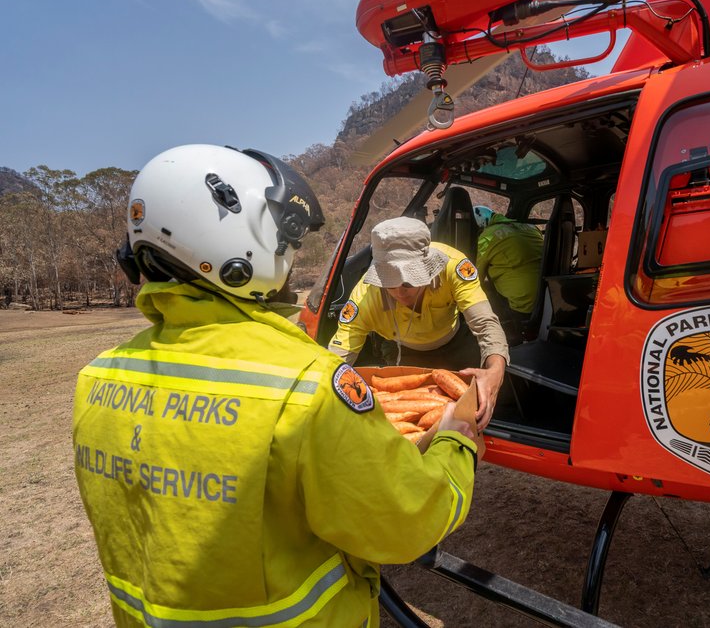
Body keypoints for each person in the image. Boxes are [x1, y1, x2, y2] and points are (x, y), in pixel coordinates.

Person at [73, 145, 479, 627]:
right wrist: (456, 440)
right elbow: (407, 522)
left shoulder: (96, 377)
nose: (287, 256)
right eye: (283, 240)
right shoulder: (305, 388)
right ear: (243, 242)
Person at [328, 217, 508, 429]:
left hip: (456, 343)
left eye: (408, 281)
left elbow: (485, 323)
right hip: (404, 352)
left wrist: (495, 371)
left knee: (475, 409)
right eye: (389, 284)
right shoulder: (364, 298)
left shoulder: (454, 266)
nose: (400, 292)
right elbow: (337, 358)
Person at [473, 205, 544, 343]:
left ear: (480, 226)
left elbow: (474, 278)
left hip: (522, 304)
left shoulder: (487, 236)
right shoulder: (531, 228)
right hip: (545, 298)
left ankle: (499, 341)